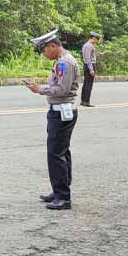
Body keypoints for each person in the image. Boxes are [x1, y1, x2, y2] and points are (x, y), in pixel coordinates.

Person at [25, 29, 80, 210]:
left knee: (55, 154)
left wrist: (39, 89)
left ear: (53, 46)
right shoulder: (62, 61)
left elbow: (62, 90)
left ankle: (63, 196)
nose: (44, 54)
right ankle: (59, 191)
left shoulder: (64, 63)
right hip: (62, 111)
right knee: (62, 152)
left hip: (61, 112)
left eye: (44, 50)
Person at [81, 32, 100, 107]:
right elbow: (88, 58)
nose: (97, 41)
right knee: (89, 84)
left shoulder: (85, 45)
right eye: (97, 39)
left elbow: (89, 56)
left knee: (86, 83)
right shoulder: (89, 46)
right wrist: (91, 69)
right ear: (93, 38)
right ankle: (87, 101)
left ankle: (83, 100)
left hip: (86, 65)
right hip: (90, 65)